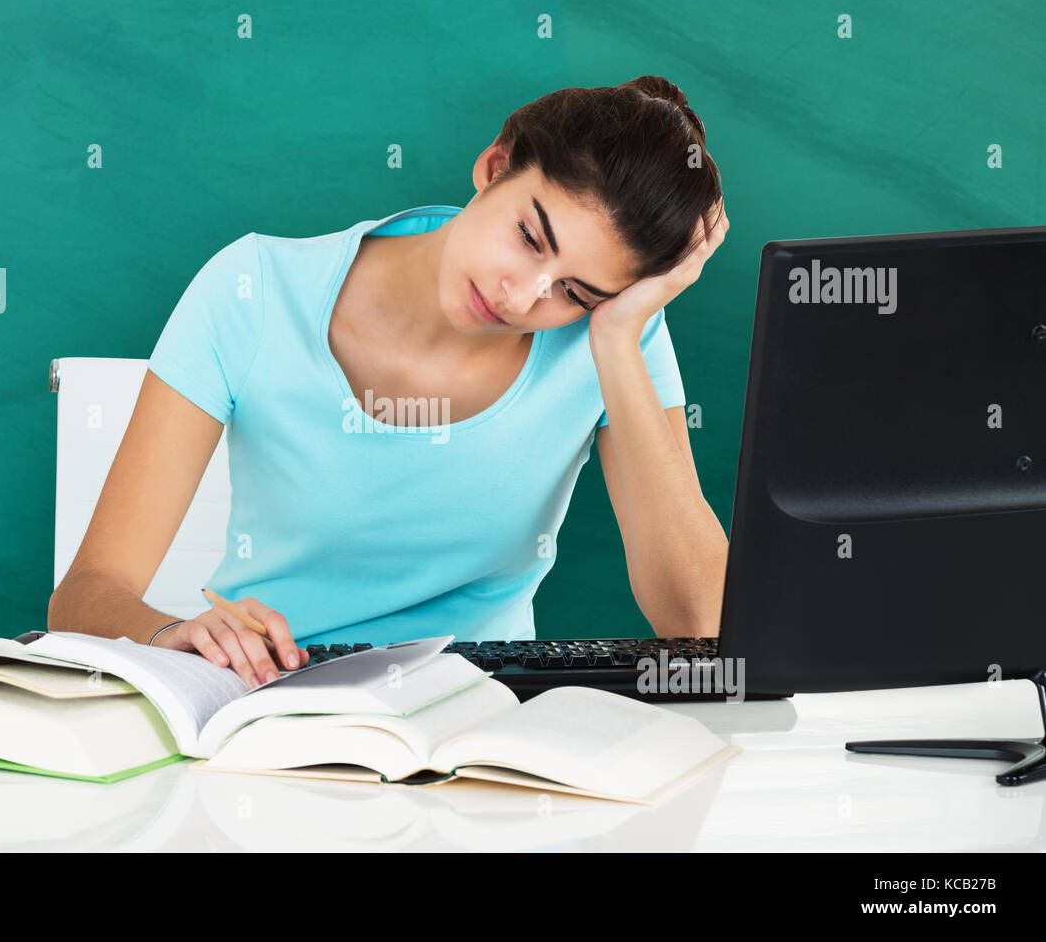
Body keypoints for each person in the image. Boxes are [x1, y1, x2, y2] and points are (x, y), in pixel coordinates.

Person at [48, 76, 731, 691]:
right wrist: (170, 633)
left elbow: (701, 619)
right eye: (529, 236)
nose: (522, 297)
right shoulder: (252, 291)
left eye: (573, 290)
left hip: (486, 725)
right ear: (495, 165)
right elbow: (85, 593)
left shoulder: (612, 333)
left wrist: (614, 337)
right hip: (266, 705)